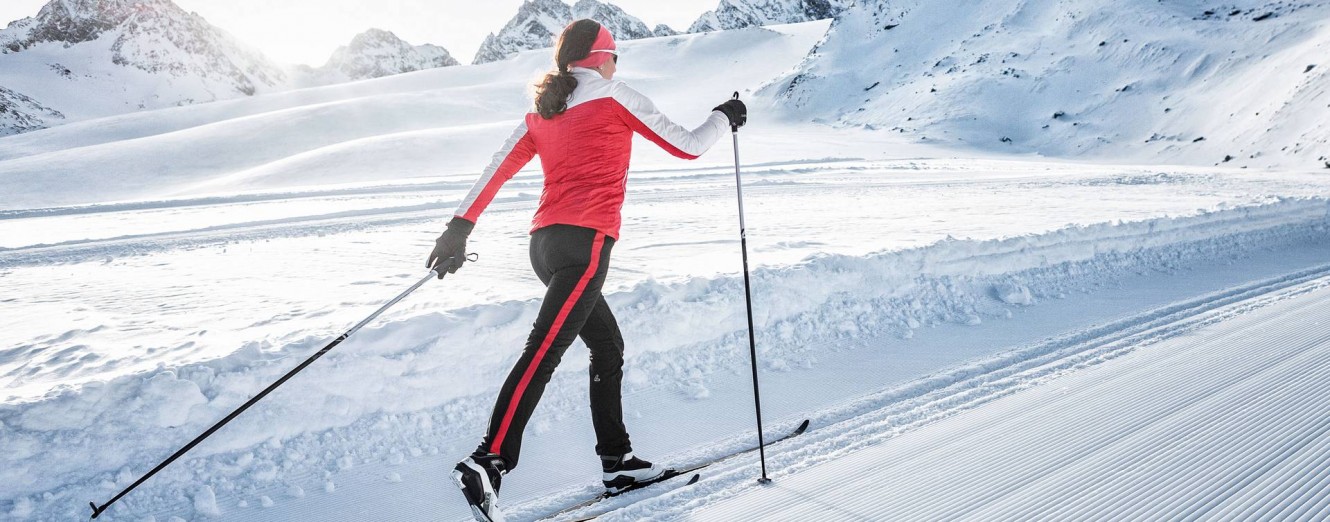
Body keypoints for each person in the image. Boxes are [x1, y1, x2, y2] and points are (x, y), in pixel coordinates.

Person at [428, 19, 746, 522]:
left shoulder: (544, 109)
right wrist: (724, 116)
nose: (618, 63)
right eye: (616, 54)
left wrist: (458, 229)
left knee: (607, 345)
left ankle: (617, 462)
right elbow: (687, 145)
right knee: (545, 348)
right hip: (586, 243)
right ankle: (490, 459)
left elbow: (496, 168)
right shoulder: (614, 95)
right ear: (601, 57)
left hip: (545, 246)